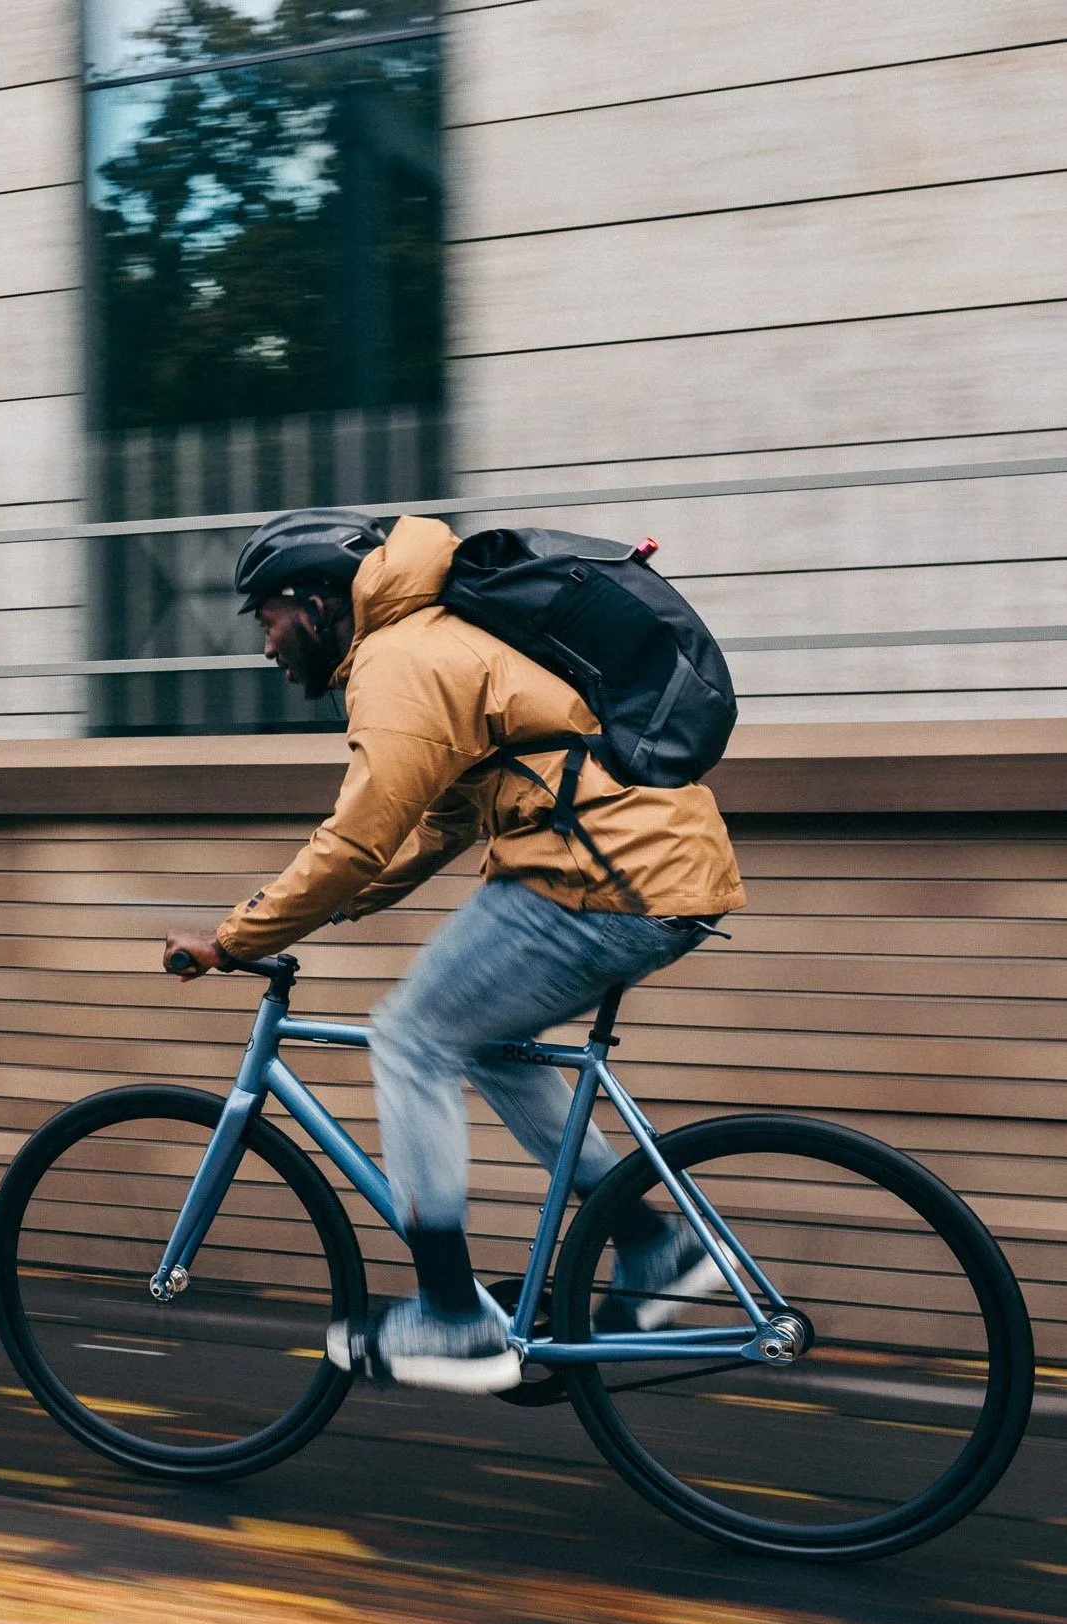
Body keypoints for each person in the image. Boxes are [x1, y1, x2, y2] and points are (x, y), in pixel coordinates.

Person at [163, 510, 746, 1392]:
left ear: (317, 603)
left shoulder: (398, 660)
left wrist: (234, 937)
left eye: (268, 617)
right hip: (646, 873)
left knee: (409, 1037)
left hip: (602, 878)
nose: (267, 643)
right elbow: (441, 821)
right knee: (480, 1045)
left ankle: (451, 1314)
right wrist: (353, 902)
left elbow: (357, 836)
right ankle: (652, 1246)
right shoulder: (437, 641)